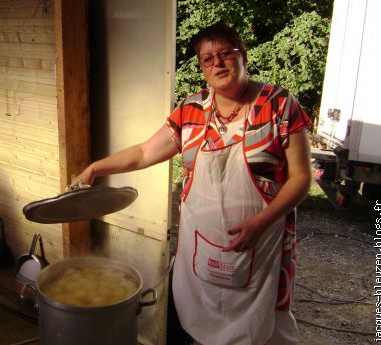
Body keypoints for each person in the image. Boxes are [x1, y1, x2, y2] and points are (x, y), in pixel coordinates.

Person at [75, 21, 312, 345]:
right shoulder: (192, 109)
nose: (217, 63)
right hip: (198, 250)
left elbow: (301, 178)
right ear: (201, 66)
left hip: (260, 245)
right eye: (207, 58)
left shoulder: (279, 104)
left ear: (242, 56)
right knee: (193, 326)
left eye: (225, 54)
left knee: (262, 332)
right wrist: (94, 168)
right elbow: (144, 152)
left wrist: (260, 222)